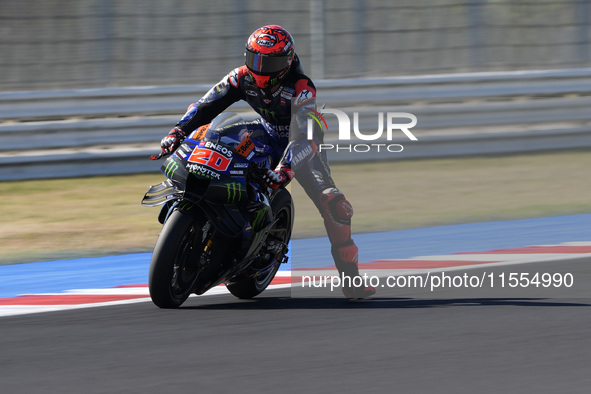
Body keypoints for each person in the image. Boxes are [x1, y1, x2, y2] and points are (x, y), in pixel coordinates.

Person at [160, 25, 375, 299]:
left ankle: (351, 279)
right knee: (214, 141)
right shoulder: (241, 76)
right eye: (255, 59)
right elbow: (206, 104)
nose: (260, 68)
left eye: (269, 61)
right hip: (266, 132)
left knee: (335, 204)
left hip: (302, 147)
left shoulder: (301, 88)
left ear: (287, 61)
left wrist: (285, 170)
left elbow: (302, 134)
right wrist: (178, 130)